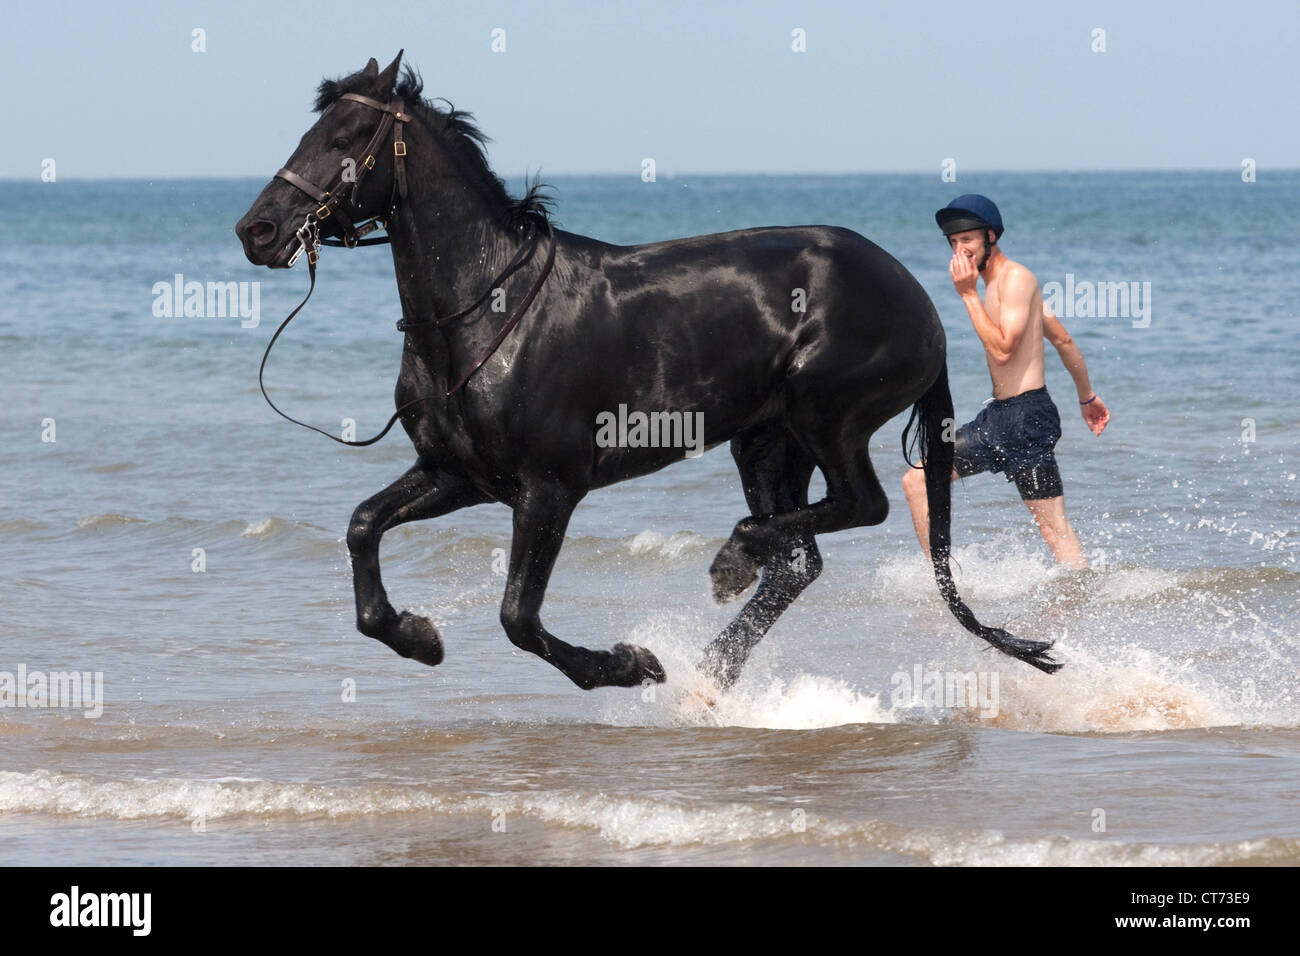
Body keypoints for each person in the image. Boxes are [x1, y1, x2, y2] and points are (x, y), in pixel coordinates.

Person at [902, 194, 1110, 569]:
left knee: (1056, 534)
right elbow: (1063, 340)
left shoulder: (1016, 279)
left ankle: (1081, 603)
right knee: (917, 482)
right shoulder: (998, 284)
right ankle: (945, 584)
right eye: (953, 243)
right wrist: (1087, 397)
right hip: (1001, 417)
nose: (959, 250)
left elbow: (1002, 351)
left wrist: (966, 295)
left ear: (991, 236)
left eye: (967, 240)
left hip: (1026, 420)